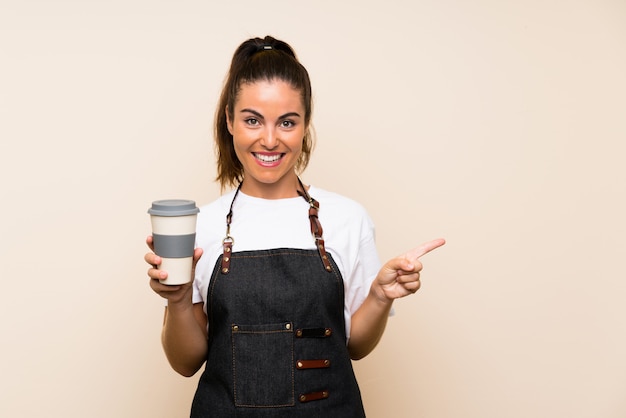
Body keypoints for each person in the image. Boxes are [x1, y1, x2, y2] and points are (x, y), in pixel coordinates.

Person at [145, 35, 445, 417]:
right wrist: (177, 302)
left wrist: (381, 297)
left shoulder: (346, 218)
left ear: (304, 126)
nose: (269, 140)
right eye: (252, 120)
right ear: (229, 122)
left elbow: (355, 346)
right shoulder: (201, 227)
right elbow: (185, 363)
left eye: (287, 122)